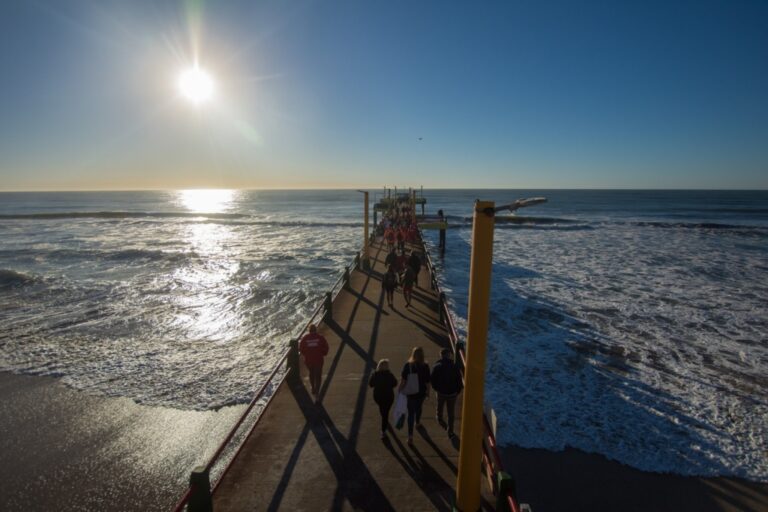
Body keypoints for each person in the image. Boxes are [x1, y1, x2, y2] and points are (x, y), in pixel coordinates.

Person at [400, 347, 431, 445]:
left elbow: (403, 380)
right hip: (421, 392)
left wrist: (400, 389)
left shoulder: (408, 365)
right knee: (419, 407)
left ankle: (410, 436)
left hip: (410, 393)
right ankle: (417, 422)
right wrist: (428, 392)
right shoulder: (425, 366)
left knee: (410, 413)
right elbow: (427, 382)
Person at [430, 348, 464, 437]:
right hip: (452, 393)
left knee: (440, 405)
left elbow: (432, 380)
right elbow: (459, 381)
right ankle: (450, 430)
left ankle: (439, 417)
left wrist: (436, 389)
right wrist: (457, 391)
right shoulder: (455, 366)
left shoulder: (437, 366)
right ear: (449, 355)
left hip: (441, 392)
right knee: (451, 412)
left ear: (441, 355)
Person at [369, 359, 398, 439]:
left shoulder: (375, 374)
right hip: (389, 397)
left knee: (383, 410)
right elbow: (395, 383)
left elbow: (370, 384)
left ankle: (384, 426)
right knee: (386, 412)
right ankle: (383, 430)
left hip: (378, 397)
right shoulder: (390, 375)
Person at [299, 324, 329, 400]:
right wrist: (322, 353)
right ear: (316, 330)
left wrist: (306, 354)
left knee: (311, 373)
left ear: (309, 330)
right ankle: (317, 391)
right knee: (318, 376)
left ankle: (312, 387)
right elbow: (326, 348)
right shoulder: (320, 338)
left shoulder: (305, 338)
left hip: (309, 360)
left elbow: (301, 349)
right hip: (318, 359)